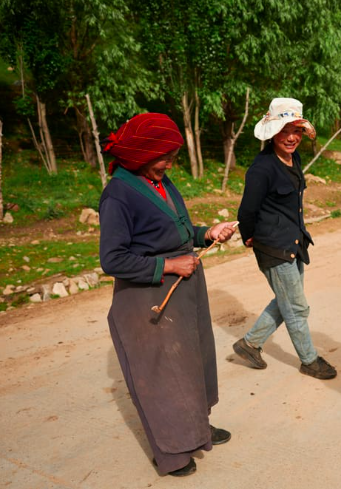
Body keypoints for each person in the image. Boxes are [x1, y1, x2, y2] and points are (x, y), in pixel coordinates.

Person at [99, 113, 238, 477]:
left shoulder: (159, 181)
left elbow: (177, 231)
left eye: (172, 156)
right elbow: (112, 259)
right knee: (163, 377)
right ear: (143, 153)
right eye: (165, 156)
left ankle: (197, 430)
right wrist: (169, 267)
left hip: (184, 293)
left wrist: (208, 234)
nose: (170, 163)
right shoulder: (118, 193)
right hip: (148, 299)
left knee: (193, 365)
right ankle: (174, 453)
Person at [232, 98, 337, 380]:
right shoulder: (262, 168)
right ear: (272, 132)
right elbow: (247, 210)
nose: (291, 137)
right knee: (297, 307)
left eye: (297, 130)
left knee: (287, 300)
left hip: (294, 242)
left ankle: (250, 344)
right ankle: (309, 360)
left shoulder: (294, 158)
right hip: (273, 246)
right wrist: (250, 237)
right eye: (284, 130)